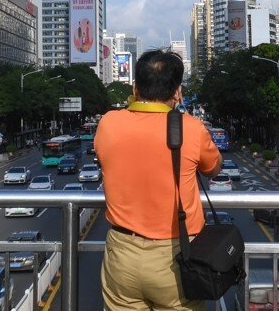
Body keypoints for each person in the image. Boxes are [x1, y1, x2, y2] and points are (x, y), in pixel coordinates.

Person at [95, 50, 221, 311]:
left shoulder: (108, 123)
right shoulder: (191, 127)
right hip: (176, 256)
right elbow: (214, 168)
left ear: (135, 87)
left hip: (122, 256)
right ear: (177, 92)